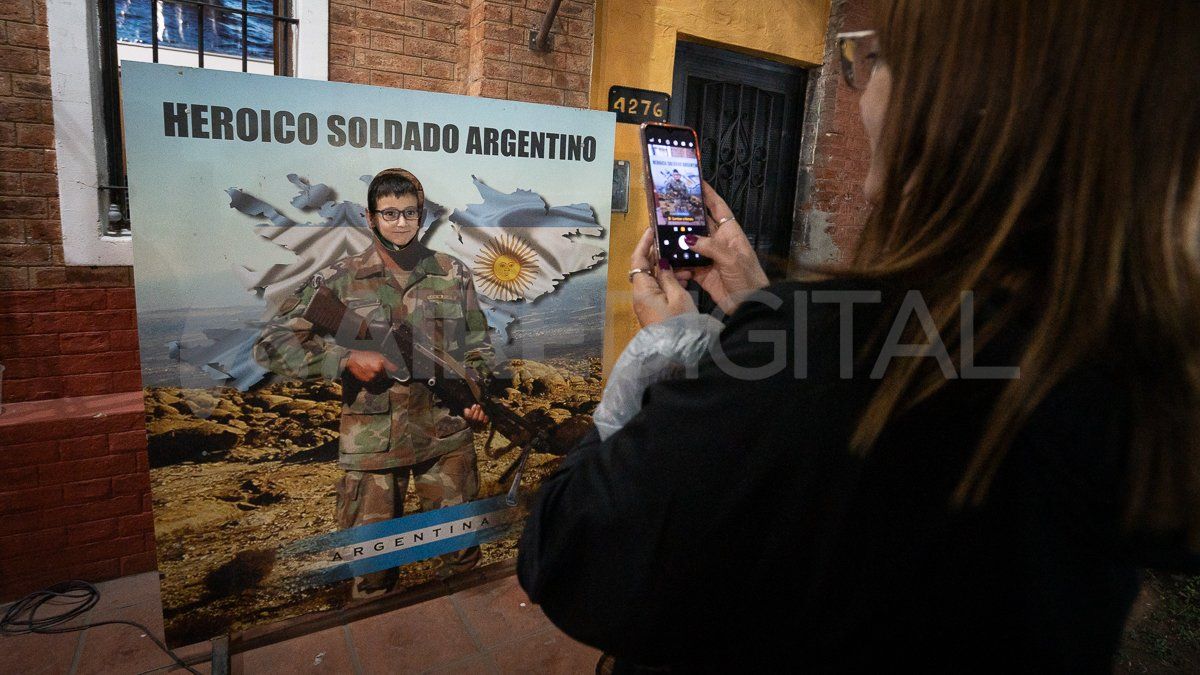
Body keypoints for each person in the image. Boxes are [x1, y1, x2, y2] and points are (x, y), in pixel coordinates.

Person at [517, 0, 1200, 670]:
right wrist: (758, 304)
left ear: (955, 96)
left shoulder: (832, 355)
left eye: (874, 58)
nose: (864, 91)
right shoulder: (1134, 363)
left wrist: (664, 349)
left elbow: (568, 547)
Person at [254, 168, 493, 598]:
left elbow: (477, 347)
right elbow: (271, 344)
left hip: (446, 442)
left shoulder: (451, 273)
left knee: (461, 559)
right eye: (389, 214)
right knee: (372, 571)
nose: (401, 223)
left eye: (410, 213)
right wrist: (345, 360)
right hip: (373, 449)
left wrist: (474, 395)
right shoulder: (340, 278)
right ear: (370, 218)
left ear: (422, 216)